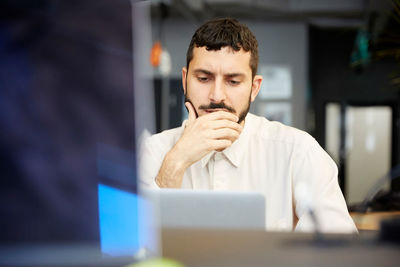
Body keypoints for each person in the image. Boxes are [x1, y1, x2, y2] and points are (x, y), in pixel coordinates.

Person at [140, 17, 357, 233]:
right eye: (204, 78)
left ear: (254, 88)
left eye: (233, 81)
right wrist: (176, 161)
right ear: (185, 80)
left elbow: (337, 247)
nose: (217, 96)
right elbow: (130, 250)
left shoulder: (297, 151)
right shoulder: (155, 150)